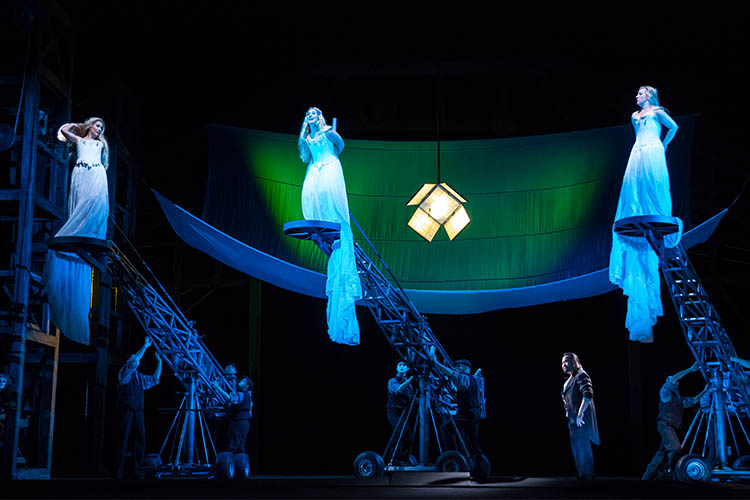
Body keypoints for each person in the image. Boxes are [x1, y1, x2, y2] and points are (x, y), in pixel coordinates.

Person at [609, 87, 681, 343]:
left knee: (653, 183)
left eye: (640, 93)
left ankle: (652, 210)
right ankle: (638, 209)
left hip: (652, 149)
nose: (636, 97)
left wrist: (663, 144)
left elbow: (673, 127)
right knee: (636, 185)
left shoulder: (657, 112)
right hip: (638, 151)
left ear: (649, 95)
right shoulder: (634, 115)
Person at [298, 107, 362, 345]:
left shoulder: (327, 131)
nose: (311, 115)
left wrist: (331, 157)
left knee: (327, 194)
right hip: (316, 167)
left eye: (314, 113)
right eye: (308, 113)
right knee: (312, 195)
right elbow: (306, 154)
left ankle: (332, 221)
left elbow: (341, 145)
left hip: (329, 165)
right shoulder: (307, 136)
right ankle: (319, 222)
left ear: (320, 116)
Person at [43, 117, 109, 345]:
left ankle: (89, 228)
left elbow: (98, 153)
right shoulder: (80, 140)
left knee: (94, 200)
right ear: (91, 125)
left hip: (96, 175)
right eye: (97, 125)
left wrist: (85, 131)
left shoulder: (99, 144)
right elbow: (62, 132)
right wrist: (79, 127)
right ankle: (77, 227)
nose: (100, 129)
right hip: (81, 174)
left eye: (102, 127)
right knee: (81, 201)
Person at [642, 362, 705, 480]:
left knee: (662, 451)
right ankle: (663, 471)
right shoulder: (665, 391)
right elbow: (674, 378)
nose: (676, 381)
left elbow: (692, 401)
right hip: (665, 425)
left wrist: (705, 390)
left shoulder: (678, 397)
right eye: (673, 378)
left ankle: (648, 476)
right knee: (675, 447)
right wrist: (690, 369)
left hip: (672, 427)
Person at [428, 351, 484, 476]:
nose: (456, 368)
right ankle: (478, 467)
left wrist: (435, 362)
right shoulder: (472, 379)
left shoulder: (465, 377)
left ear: (466, 367)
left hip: (467, 413)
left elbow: (454, 375)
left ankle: (453, 455)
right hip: (473, 412)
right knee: (472, 441)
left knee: (445, 428)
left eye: (459, 366)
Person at [115, 337, 161, 479]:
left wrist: (159, 362)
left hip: (138, 411)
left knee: (140, 439)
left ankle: (138, 471)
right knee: (123, 440)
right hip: (127, 410)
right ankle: (118, 472)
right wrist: (145, 346)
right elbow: (134, 360)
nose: (135, 360)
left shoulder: (139, 377)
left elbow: (155, 380)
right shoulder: (124, 373)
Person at [561, 352, 600, 479]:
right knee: (578, 450)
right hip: (573, 421)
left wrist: (580, 413)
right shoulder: (571, 378)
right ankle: (584, 477)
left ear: (575, 362)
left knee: (582, 449)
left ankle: (587, 478)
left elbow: (587, 395)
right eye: (562, 362)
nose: (563, 364)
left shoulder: (581, 375)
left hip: (580, 422)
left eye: (566, 361)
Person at [213, 375, 253, 454]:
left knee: (231, 446)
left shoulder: (241, 394)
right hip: (245, 423)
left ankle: (228, 461)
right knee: (241, 448)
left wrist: (218, 387)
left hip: (238, 423)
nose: (241, 380)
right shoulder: (249, 396)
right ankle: (240, 461)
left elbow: (230, 398)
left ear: (247, 386)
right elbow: (250, 413)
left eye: (244, 380)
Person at [386, 359, 414, 464]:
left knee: (408, 433)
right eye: (400, 365)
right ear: (397, 368)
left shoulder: (409, 385)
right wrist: (411, 378)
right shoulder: (392, 381)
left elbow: (410, 400)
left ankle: (403, 458)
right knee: (401, 430)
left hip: (403, 412)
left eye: (404, 365)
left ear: (408, 368)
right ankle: (393, 459)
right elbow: (398, 390)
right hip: (394, 411)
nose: (402, 366)